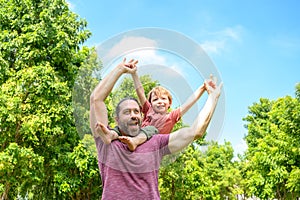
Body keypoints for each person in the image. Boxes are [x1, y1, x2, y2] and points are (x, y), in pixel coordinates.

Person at [89, 58, 222, 199]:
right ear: (117, 119)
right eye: (127, 112)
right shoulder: (105, 140)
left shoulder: (156, 142)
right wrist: (121, 69)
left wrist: (213, 97)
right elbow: (96, 99)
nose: (133, 115)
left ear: (142, 116)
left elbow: (195, 131)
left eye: (136, 112)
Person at [115, 60, 215, 151]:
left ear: (169, 103)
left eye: (163, 99)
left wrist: (203, 88)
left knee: (152, 129)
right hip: (134, 137)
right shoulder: (148, 109)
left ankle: (135, 141)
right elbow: (140, 92)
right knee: (122, 126)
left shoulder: (171, 117)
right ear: (151, 103)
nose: (159, 101)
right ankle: (111, 135)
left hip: (152, 146)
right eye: (155, 99)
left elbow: (189, 102)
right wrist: (134, 74)